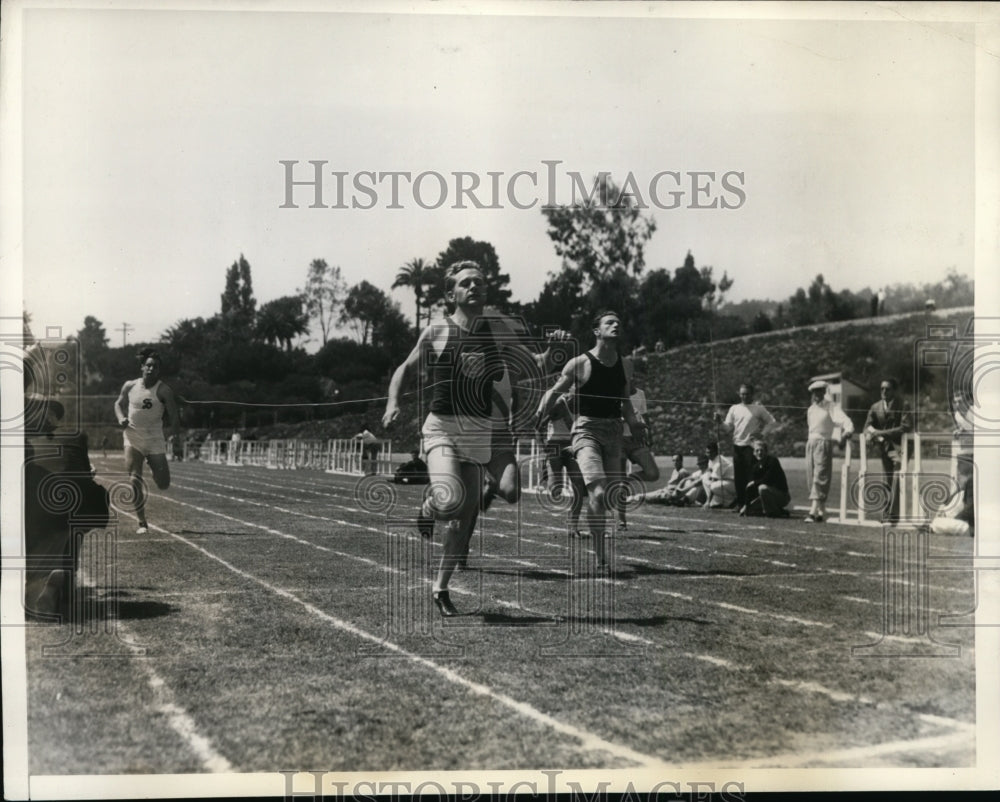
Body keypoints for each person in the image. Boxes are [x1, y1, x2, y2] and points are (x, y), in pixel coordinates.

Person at [383, 261, 563, 616]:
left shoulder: (500, 331)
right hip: (443, 427)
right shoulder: (437, 330)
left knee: (463, 518)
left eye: (480, 283)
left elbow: (536, 365)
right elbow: (405, 368)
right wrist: (392, 403)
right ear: (451, 294)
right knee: (450, 502)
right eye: (466, 283)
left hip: (481, 432)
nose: (475, 287)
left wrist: (556, 352)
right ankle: (428, 507)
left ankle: (441, 588)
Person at [536, 310, 644, 568]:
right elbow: (554, 392)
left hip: (614, 432)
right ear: (597, 331)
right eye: (610, 322)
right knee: (596, 491)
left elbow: (624, 401)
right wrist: (539, 414)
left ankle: (598, 545)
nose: (616, 325)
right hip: (586, 431)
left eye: (618, 322)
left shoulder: (625, 364)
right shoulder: (579, 364)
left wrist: (634, 423)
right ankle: (600, 555)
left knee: (608, 495)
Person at [24, 392, 110, 620]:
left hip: (36, 506)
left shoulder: (22, 438)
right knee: (73, 527)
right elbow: (81, 470)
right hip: (76, 504)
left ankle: (41, 581)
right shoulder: (77, 436)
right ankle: (63, 583)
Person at [113, 348, 181, 534]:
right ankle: (142, 522)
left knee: (163, 484)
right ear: (142, 367)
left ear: (159, 370)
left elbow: (174, 417)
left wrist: (176, 438)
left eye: (155, 367)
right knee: (134, 479)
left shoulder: (164, 390)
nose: (151, 369)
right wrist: (121, 418)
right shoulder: (130, 386)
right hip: (133, 437)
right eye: (148, 365)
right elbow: (118, 404)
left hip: (154, 440)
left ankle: (153, 464)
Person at [715, 383, 775, 511]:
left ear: (752, 394)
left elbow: (771, 422)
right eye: (742, 394)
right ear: (739, 394)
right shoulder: (734, 408)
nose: (744, 396)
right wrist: (720, 422)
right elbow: (728, 428)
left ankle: (751, 504)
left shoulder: (758, 408)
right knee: (739, 477)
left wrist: (762, 434)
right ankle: (741, 504)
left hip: (751, 447)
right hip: (737, 445)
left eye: (747, 394)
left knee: (751, 476)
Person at [615, 368, 660, 530]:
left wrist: (650, 434)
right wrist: (627, 419)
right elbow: (612, 419)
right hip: (619, 441)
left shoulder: (640, 394)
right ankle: (622, 519)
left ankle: (630, 477)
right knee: (619, 484)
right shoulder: (616, 395)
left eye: (629, 378)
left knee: (653, 473)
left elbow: (646, 417)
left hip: (637, 440)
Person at [804, 379, 854, 523]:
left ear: (824, 392)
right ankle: (821, 510)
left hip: (823, 443)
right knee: (811, 476)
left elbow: (845, 420)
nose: (816, 394)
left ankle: (813, 512)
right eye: (814, 392)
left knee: (820, 476)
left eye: (819, 391)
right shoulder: (811, 409)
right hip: (811, 443)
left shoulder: (831, 406)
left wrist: (847, 431)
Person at [863, 378, 912, 524]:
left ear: (894, 390)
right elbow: (867, 427)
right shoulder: (875, 406)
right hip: (885, 447)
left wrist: (880, 433)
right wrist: (871, 434)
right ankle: (887, 512)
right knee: (886, 479)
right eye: (882, 389)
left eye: (888, 389)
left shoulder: (903, 404)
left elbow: (905, 426)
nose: (884, 391)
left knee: (897, 477)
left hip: (901, 447)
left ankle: (892, 514)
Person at [542, 393, 586, 536]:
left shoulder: (587, 401)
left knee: (579, 484)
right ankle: (547, 469)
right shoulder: (556, 399)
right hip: (554, 444)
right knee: (556, 491)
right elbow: (539, 423)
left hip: (574, 444)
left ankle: (573, 526)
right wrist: (543, 446)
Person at [742, 438, 790, 517]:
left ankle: (775, 513)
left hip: (782, 495)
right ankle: (778, 510)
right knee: (749, 510)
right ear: (753, 453)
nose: (759, 453)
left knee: (762, 488)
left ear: (766, 451)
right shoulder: (755, 466)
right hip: (766, 495)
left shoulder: (772, 461)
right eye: (757, 451)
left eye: (761, 450)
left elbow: (767, 479)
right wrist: (746, 505)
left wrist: (754, 482)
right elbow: (750, 486)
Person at [702, 441, 736, 508]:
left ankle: (732, 501)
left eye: (711, 452)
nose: (708, 454)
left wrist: (707, 502)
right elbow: (708, 474)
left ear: (716, 452)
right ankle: (717, 501)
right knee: (704, 478)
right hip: (724, 482)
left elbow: (713, 481)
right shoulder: (711, 459)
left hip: (733, 484)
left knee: (714, 486)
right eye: (707, 452)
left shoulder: (719, 462)